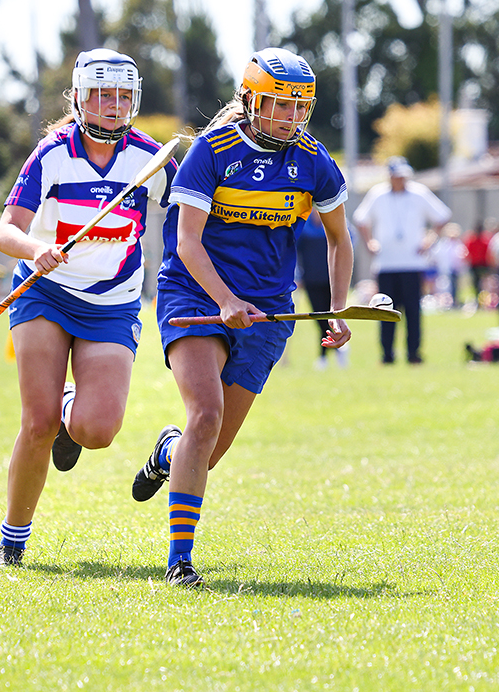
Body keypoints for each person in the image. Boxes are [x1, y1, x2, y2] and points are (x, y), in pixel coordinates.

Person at [129, 48, 353, 587]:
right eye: (278, 105)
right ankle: (179, 563)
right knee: (204, 415)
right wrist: (225, 301)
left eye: (299, 107)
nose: (290, 117)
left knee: (209, 449)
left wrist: (337, 309)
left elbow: (339, 240)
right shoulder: (214, 151)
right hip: (196, 292)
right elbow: (185, 242)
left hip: (270, 308)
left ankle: (168, 451)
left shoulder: (314, 161)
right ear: (250, 100)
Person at [0, 49, 176, 569]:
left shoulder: (152, 158)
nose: (113, 106)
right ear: (78, 98)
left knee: (97, 431)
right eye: (102, 95)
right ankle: (13, 541)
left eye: (122, 96)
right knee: (37, 422)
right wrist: (34, 250)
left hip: (112, 303)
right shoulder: (50, 155)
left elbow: (192, 211)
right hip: (44, 293)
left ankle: (74, 411)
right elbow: (6, 231)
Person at [353, 156, 451, 364]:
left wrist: (429, 239)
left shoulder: (419, 193)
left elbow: (442, 216)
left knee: (413, 311)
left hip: (412, 263)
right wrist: (370, 242)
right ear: (390, 176)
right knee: (385, 312)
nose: (401, 180)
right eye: (397, 176)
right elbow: (361, 219)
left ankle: (413, 353)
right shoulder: (377, 194)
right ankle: (387, 354)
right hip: (386, 264)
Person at [296, 212, 348, 368]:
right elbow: (295, 253)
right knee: (320, 319)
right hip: (311, 280)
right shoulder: (303, 228)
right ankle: (334, 352)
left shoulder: (336, 224)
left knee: (330, 317)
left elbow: (346, 243)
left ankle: (325, 356)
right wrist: (297, 276)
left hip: (331, 281)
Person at [462, 219, 493, 307]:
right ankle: (479, 301)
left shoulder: (485, 240)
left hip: (483, 265)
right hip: (475, 265)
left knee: (484, 285)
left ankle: (484, 301)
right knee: (476, 284)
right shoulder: (472, 240)